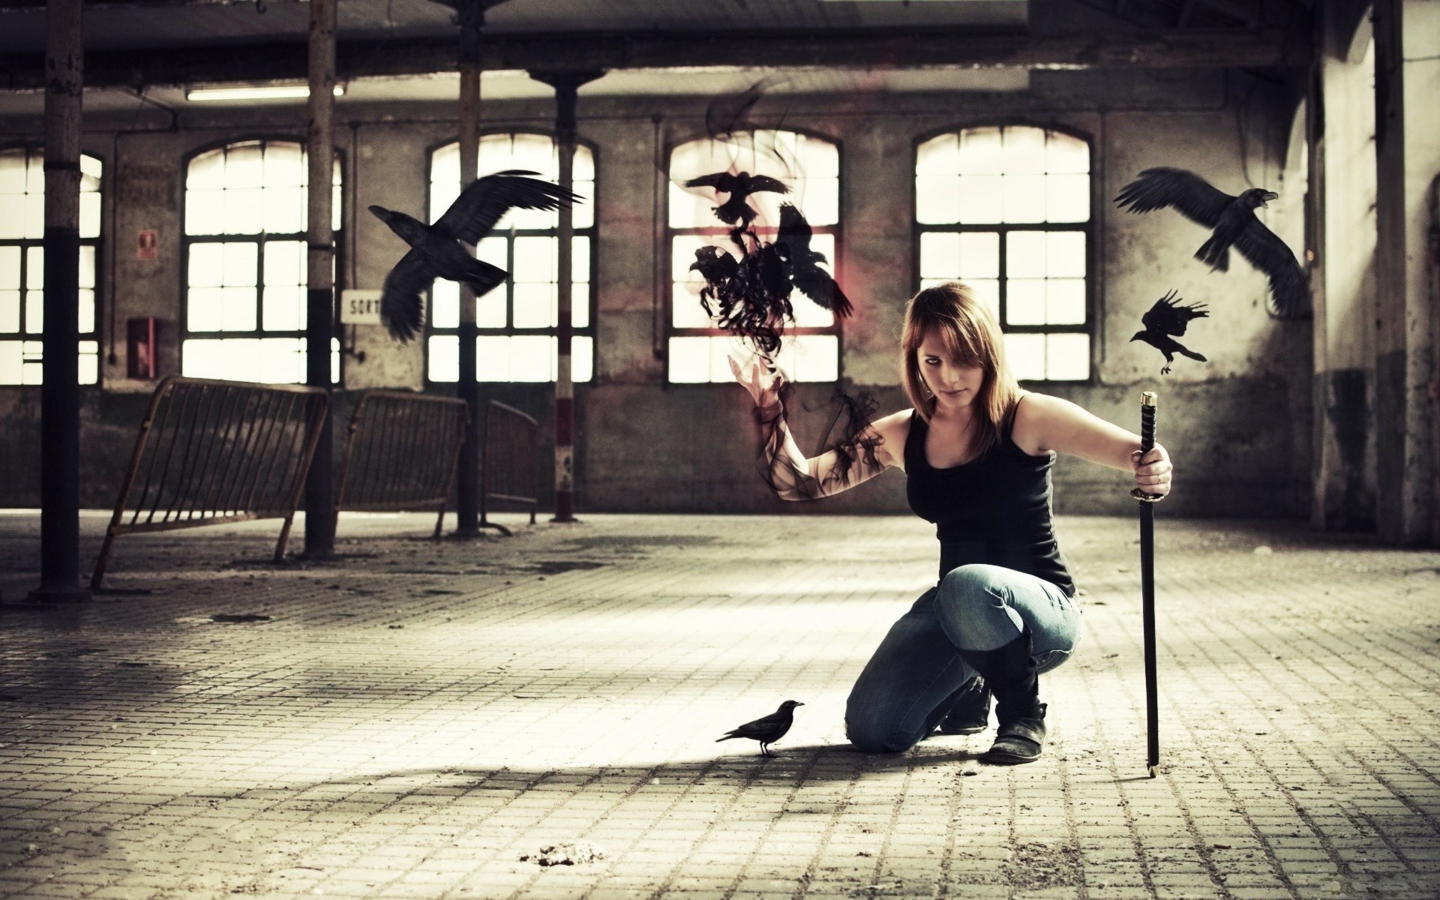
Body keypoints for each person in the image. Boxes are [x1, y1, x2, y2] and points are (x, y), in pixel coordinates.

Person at [729, 281, 1172, 765]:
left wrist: (1154, 468)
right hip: (957, 610)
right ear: (915, 360)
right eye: (933, 360)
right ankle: (973, 679)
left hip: (1042, 615)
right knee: (874, 729)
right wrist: (767, 405)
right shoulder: (902, 432)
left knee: (967, 583)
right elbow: (798, 483)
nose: (949, 377)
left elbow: (1139, 454)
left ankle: (1022, 713)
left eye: (964, 359)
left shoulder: (1029, 415)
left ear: (989, 354)